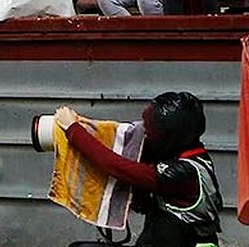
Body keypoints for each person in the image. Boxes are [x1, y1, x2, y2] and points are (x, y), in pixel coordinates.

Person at [53, 93, 221, 247]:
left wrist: (73, 129)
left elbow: (118, 167)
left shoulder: (182, 173)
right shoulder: (190, 156)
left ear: (169, 136)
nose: (144, 134)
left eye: (150, 131)